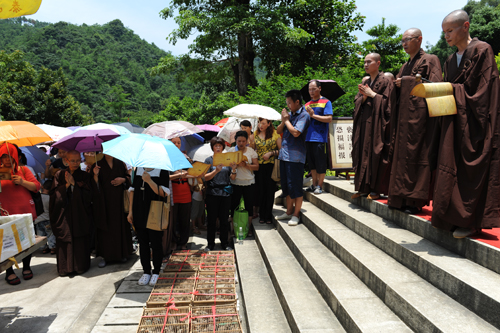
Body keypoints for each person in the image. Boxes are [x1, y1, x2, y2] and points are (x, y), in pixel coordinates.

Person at [430, 10, 500, 238]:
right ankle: (450, 217)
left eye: (450, 31)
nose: (446, 36)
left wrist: (452, 90)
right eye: (444, 32)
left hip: (475, 123)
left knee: (470, 170)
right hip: (453, 121)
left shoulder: (482, 50)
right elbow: (451, 88)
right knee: (449, 167)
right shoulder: (450, 60)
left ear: (466, 26)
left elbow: (483, 92)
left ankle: (469, 221)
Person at [388, 28, 443, 214]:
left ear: (419, 39)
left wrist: (407, 82)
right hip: (404, 120)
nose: (404, 43)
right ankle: (400, 199)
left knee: (417, 158)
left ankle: (414, 201)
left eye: (408, 39)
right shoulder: (404, 66)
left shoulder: (431, 59)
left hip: (421, 119)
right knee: (402, 159)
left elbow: (434, 86)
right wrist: (399, 84)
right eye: (402, 40)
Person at [351, 53, 396, 200]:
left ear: (378, 63)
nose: (365, 64)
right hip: (364, 125)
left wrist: (373, 95)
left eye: (368, 62)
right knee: (361, 153)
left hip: (377, 126)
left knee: (375, 154)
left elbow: (389, 104)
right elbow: (357, 102)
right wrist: (363, 98)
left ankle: (375, 190)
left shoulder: (386, 81)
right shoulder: (367, 82)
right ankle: (363, 188)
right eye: (364, 62)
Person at [0, 143, 41, 285]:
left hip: (25, 212)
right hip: (6, 214)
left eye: (10, 156)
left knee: (27, 241)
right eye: (4, 156)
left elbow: (36, 187)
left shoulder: (23, 170)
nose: (7, 159)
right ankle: (9, 272)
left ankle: (27, 267)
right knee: (7, 243)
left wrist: (22, 182)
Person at [49, 150, 93, 276]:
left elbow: (89, 196)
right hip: (64, 215)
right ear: (66, 161)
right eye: (72, 161)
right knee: (65, 237)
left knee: (80, 238)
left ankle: (80, 266)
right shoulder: (59, 175)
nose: (75, 163)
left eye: (78, 160)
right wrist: (67, 186)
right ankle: (65, 268)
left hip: (80, 213)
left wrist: (75, 185)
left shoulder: (85, 176)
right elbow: (54, 196)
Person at [127, 167, 170, 286]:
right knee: (143, 243)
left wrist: (149, 181)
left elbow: (163, 193)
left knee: (156, 243)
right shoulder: (138, 170)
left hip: (155, 212)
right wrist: (130, 211)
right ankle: (146, 271)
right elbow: (132, 191)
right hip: (139, 211)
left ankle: (156, 271)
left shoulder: (162, 170)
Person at [276, 89, 310, 226]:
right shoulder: (289, 116)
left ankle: (296, 214)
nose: (288, 105)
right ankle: (289, 211)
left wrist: (286, 121)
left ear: (297, 102)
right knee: (286, 186)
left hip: (296, 157)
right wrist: (284, 121)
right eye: (287, 103)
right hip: (284, 155)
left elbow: (296, 132)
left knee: (295, 186)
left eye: (290, 103)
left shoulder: (304, 115)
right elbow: (278, 131)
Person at [91, 155, 132, 268]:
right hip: (104, 202)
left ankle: (122, 254)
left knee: (120, 227)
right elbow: (93, 186)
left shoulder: (120, 163)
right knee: (106, 228)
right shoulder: (97, 164)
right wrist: (95, 175)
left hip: (119, 200)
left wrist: (122, 180)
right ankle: (106, 257)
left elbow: (128, 177)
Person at [204, 137, 237, 251]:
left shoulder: (227, 159)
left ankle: (224, 243)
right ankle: (210, 244)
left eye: (220, 146)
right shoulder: (208, 160)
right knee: (211, 220)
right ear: (212, 147)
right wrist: (216, 171)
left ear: (223, 147)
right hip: (212, 192)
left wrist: (233, 169)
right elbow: (205, 177)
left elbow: (232, 177)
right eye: (215, 146)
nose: (218, 148)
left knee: (224, 220)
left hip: (225, 192)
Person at [304, 80, 333, 194]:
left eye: (313, 89)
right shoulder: (307, 104)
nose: (311, 92)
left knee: (320, 163)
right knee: (312, 164)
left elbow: (329, 119)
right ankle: (314, 184)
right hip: (308, 137)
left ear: (319, 88)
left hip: (320, 138)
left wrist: (313, 115)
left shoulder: (326, 102)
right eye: (309, 90)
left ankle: (319, 186)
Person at [228, 131, 259, 235]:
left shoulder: (251, 151)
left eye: (243, 141)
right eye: (239, 141)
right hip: (235, 182)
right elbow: (225, 164)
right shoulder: (231, 150)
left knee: (249, 206)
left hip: (249, 182)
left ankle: (248, 228)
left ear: (247, 141)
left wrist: (246, 165)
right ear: (235, 141)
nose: (241, 143)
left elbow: (257, 167)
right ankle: (233, 228)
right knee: (233, 206)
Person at [254, 118, 282, 224]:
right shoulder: (255, 134)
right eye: (259, 123)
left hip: (271, 165)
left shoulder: (275, 134)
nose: (260, 125)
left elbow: (281, 150)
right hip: (259, 166)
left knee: (270, 190)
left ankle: (268, 215)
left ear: (269, 124)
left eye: (263, 123)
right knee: (261, 190)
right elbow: (251, 148)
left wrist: (271, 153)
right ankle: (262, 215)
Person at [169, 137, 193, 250]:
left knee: (185, 219)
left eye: (178, 143)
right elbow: (165, 177)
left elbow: (191, 173)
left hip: (185, 190)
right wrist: (178, 174)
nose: (177, 144)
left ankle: (183, 242)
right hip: (172, 191)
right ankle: (173, 241)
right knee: (172, 220)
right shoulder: (166, 157)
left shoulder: (186, 157)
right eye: (174, 142)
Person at [35, 180, 56, 255]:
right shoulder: (50, 198)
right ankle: (52, 247)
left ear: (42, 186)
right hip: (47, 219)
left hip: (38, 220)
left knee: (40, 235)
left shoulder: (37, 198)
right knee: (50, 234)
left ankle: (43, 248)